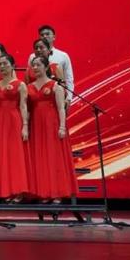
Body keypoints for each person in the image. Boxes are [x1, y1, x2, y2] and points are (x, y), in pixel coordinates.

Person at [27, 56, 78, 203]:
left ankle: (57, 192)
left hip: (52, 124)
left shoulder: (55, 86)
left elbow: (61, 108)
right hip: (36, 125)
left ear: (46, 67)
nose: (35, 68)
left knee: (53, 157)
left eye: (38, 65)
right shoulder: (29, 87)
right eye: (33, 65)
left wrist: (62, 127)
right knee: (40, 158)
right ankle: (44, 192)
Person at [0, 53, 31, 203]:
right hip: (0, 121)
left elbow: (23, 106)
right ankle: (6, 190)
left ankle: (18, 191)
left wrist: (25, 126)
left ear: (12, 65)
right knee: (3, 154)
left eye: (5, 64)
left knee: (15, 155)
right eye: (0, 64)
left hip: (14, 120)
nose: (2, 66)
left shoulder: (20, 84)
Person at [28, 25, 75, 105]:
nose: (44, 36)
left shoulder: (63, 56)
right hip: (37, 99)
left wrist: (68, 99)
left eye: (47, 34)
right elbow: (30, 77)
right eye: (42, 35)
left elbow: (69, 79)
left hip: (57, 98)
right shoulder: (32, 57)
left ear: (54, 37)